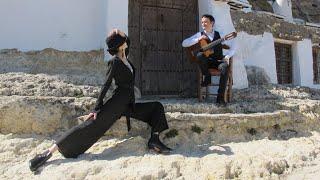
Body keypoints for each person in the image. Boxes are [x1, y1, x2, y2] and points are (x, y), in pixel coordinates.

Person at [29, 29, 172, 172]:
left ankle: (154, 140)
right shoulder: (114, 62)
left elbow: (128, 40)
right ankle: (48, 153)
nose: (125, 37)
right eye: (122, 37)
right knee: (89, 125)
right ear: (120, 44)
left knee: (156, 107)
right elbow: (106, 84)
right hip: (117, 104)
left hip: (128, 104)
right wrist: (97, 108)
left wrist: (118, 33)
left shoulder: (124, 57)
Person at [182, 14, 236, 105]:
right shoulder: (199, 34)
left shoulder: (220, 35)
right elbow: (184, 43)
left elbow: (233, 46)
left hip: (217, 62)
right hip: (206, 63)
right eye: (202, 22)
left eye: (206, 22)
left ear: (212, 23)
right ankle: (207, 76)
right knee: (199, 55)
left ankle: (220, 98)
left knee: (225, 67)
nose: (203, 24)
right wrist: (198, 39)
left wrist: (227, 56)